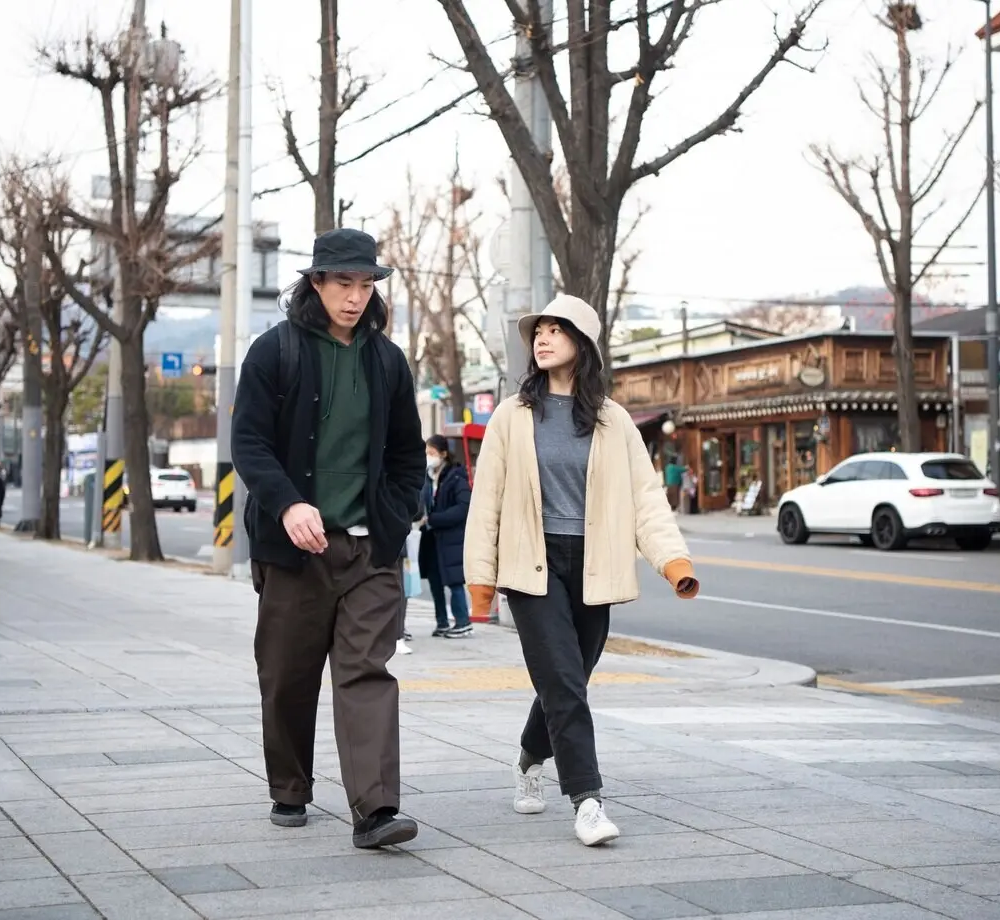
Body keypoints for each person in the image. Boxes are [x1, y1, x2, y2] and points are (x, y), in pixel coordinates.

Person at [464, 294, 700, 847]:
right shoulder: (512, 415)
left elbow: (646, 500)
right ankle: (588, 802)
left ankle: (528, 758)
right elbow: (488, 502)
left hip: (595, 567)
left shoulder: (613, 421)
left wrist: (673, 561)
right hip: (532, 567)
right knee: (566, 683)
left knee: (567, 680)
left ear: (583, 344)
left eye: (555, 330)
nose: (541, 338)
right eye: (537, 331)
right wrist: (480, 580)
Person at [232, 227, 426, 850]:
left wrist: (394, 520)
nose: (355, 296)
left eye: (366, 284)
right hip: (294, 549)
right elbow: (249, 444)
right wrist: (288, 504)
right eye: (343, 282)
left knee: (366, 671)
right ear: (316, 282)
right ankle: (290, 786)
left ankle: (375, 809)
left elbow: (406, 456)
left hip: (369, 551)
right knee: (287, 674)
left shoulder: (388, 361)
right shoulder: (274, 351)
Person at [418, 434, 473, 637]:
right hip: (431, 538)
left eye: (432, 453)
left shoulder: (456, 476)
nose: (428, 457)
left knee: (454, 580)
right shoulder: (428, 477)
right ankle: (442, 622)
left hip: (450, 538)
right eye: (426, 453)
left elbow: (463, 507)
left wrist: (434, 519)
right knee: (434, 580)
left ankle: (463, 622)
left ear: (443, 454)